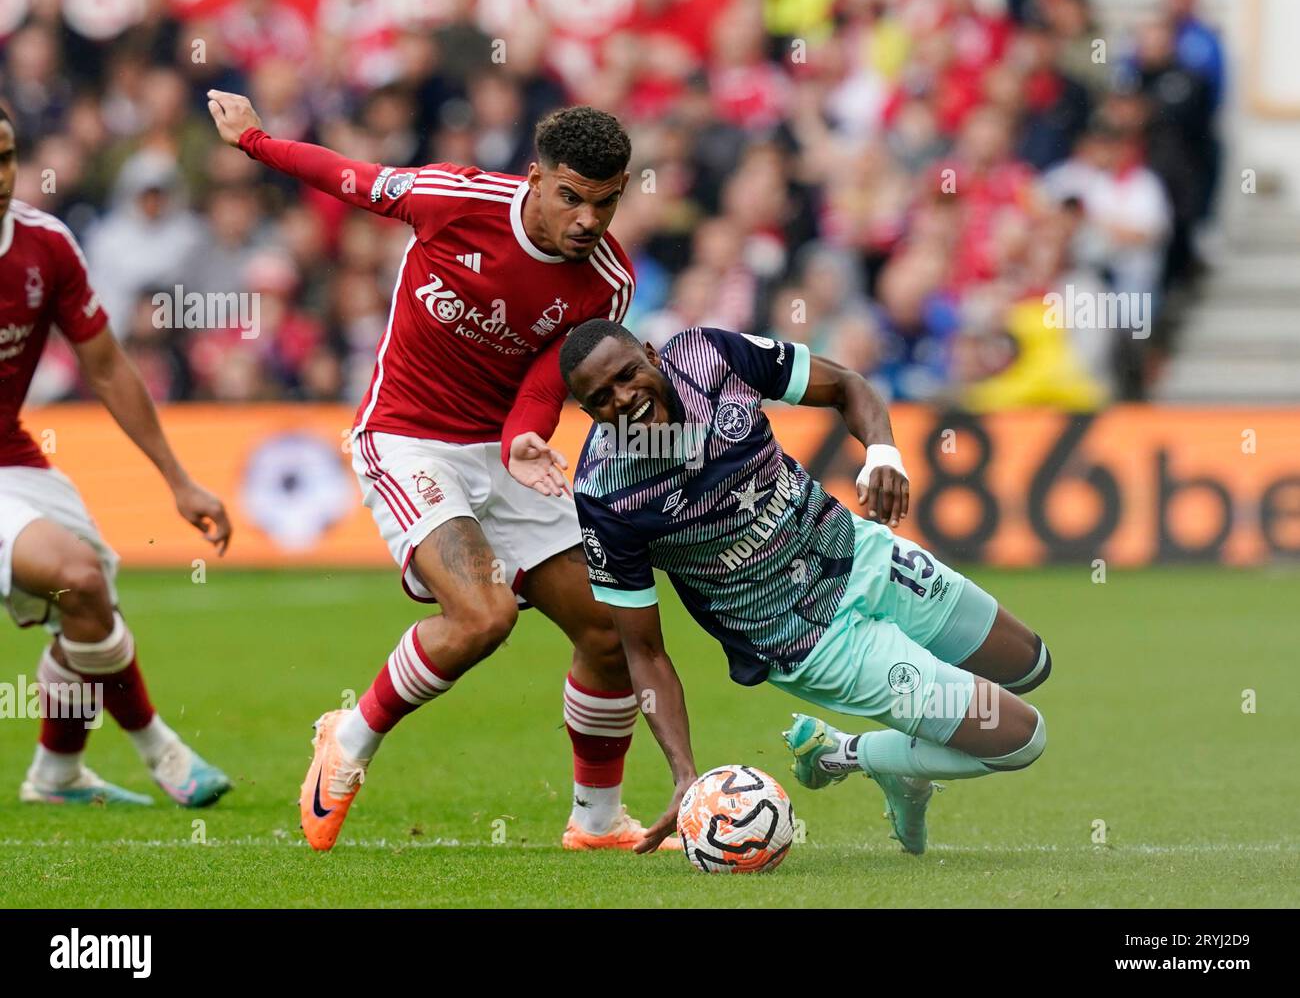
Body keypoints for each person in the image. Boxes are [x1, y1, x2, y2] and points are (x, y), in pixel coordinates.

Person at [206, 90, 678, 852]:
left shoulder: (607, 282)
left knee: (606, 629)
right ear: (534, 178)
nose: (588, 220)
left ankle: (596, 822)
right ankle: (350, 739)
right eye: (571, 199)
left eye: (606, 203)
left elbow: (547, 381)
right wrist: (256, 141)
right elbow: (349, 177)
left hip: (503, 452)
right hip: (407, 438)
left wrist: (527, 436)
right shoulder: (453, 199)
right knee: (484, 616)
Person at [558, 320, 1051, 854]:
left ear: (652, 354)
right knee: (1023, 739)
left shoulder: (709, 354)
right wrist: (684, 774)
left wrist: (883, 453)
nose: (625, 399)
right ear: (587, 413)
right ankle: (846, 753)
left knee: (1029, 665)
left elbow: (844, 385)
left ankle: (906, 770)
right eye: (602, 398)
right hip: (808, 639)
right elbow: (644, 650)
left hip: (861, 554)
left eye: (629, 374)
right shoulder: (605, 494)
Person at [0, 107, 232, 807]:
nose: (0, 173)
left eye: (6, 155)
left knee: (91, 598)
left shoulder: (46, 245)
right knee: (75, 575)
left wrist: (178, 480)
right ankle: (160, 749)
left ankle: (57, 774)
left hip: (13, 457)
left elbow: (104, 365)